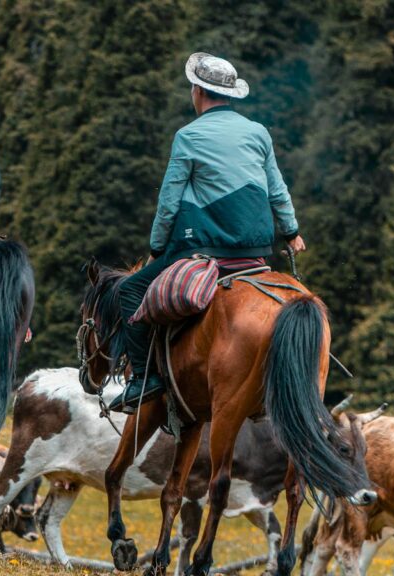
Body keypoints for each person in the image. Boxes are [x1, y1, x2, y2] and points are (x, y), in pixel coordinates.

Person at [107, 53, 307, 413]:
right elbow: (277, 189)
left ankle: (143, 379)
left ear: (198, 91)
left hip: (204, 249)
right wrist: (291, 232)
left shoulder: (188, 136)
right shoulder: (259, 132)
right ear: (230, 95)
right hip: (257, 250)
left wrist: (156, 248)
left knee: (131, 289)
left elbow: (169, 202)